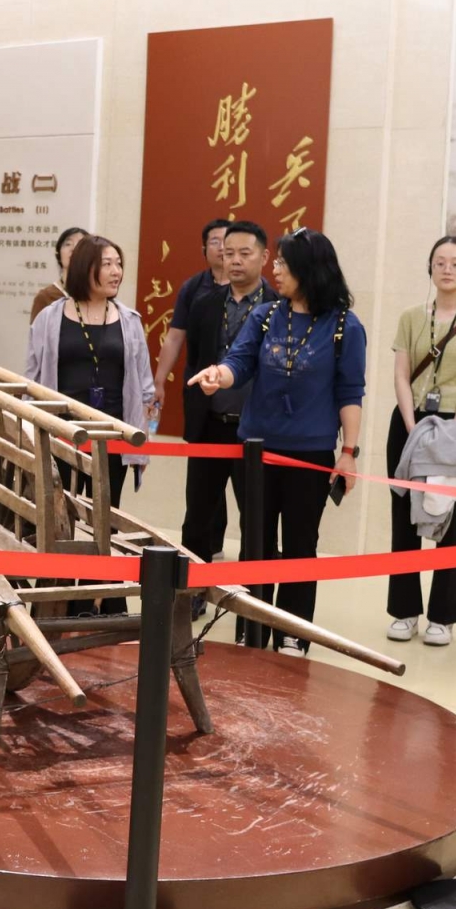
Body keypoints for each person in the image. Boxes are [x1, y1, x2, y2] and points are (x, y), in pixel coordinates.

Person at [189, 228, 367, 654]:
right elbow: (240, 361)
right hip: (255, 450)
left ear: (309, 269)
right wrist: (220, 376)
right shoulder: (266, 315)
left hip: (311, 454)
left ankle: (293, 634)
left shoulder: (344, 326)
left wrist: (348, 454)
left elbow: (350, 393)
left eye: (284, 263)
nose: (276, 270)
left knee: (300, 545)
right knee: (256, 543)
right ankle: (253, 628)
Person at [24, 235, 153, 616]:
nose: (117, 271)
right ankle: (57, 602)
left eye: (118, 263)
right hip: (61, 434)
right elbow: (31, 378)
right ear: (85, 269)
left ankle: (106, 600)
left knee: (105, 520)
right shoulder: (50, 317)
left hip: (110, 437)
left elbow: (143, 384)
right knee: (59, 521)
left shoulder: (129, 321)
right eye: (108, 264)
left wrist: (140, 435)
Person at [385, 237, 456, 647]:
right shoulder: (411, 316)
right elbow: (401, 374)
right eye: (439, 261)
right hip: (409, 422)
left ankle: (443, 616)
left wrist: (454, 429)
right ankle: (403, 612)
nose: (446, 269)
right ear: (430, 268)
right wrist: (411, 422)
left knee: (453, 523)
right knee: (405, 521)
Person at [175, 222, 276, 583]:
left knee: (256, 521)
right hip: (210, 426)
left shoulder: (278, 309)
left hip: (256, 431)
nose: (233, 260)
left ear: (264, 257)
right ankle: (192, 595)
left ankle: (252, 603)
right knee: (198, 518)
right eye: (227, 252)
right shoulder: (205, 304)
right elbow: (194, 361)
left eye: (244, 254)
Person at [152, 219, 233, 405]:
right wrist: (159, 382)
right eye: (214, 242)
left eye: (227, 241)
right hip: (199, 384)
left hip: (239, 389)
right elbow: (174, 337)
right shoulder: (192, 288)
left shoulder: (252, 289)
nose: (222, 247)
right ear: (203, 249)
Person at [30, 226, 88, 322]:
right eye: (68, 244)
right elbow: (37, 335)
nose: (73, 249)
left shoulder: (97, 295)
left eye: (80, 244)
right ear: (59, 254)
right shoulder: (46, 296)